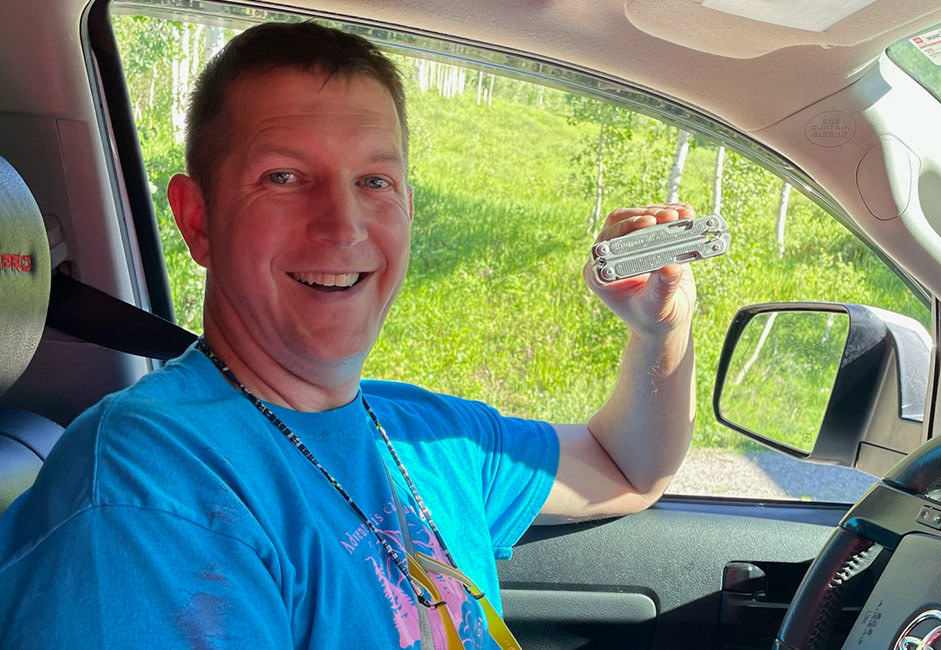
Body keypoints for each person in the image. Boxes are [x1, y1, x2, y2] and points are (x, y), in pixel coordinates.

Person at [0, 22, 696, 649]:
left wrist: (661, 326)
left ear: (407, 208)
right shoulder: (146, 488)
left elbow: (627, 468)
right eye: (284, 176)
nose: (342, 225)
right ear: (198, 220)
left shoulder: (424, 433)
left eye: (373, 180)